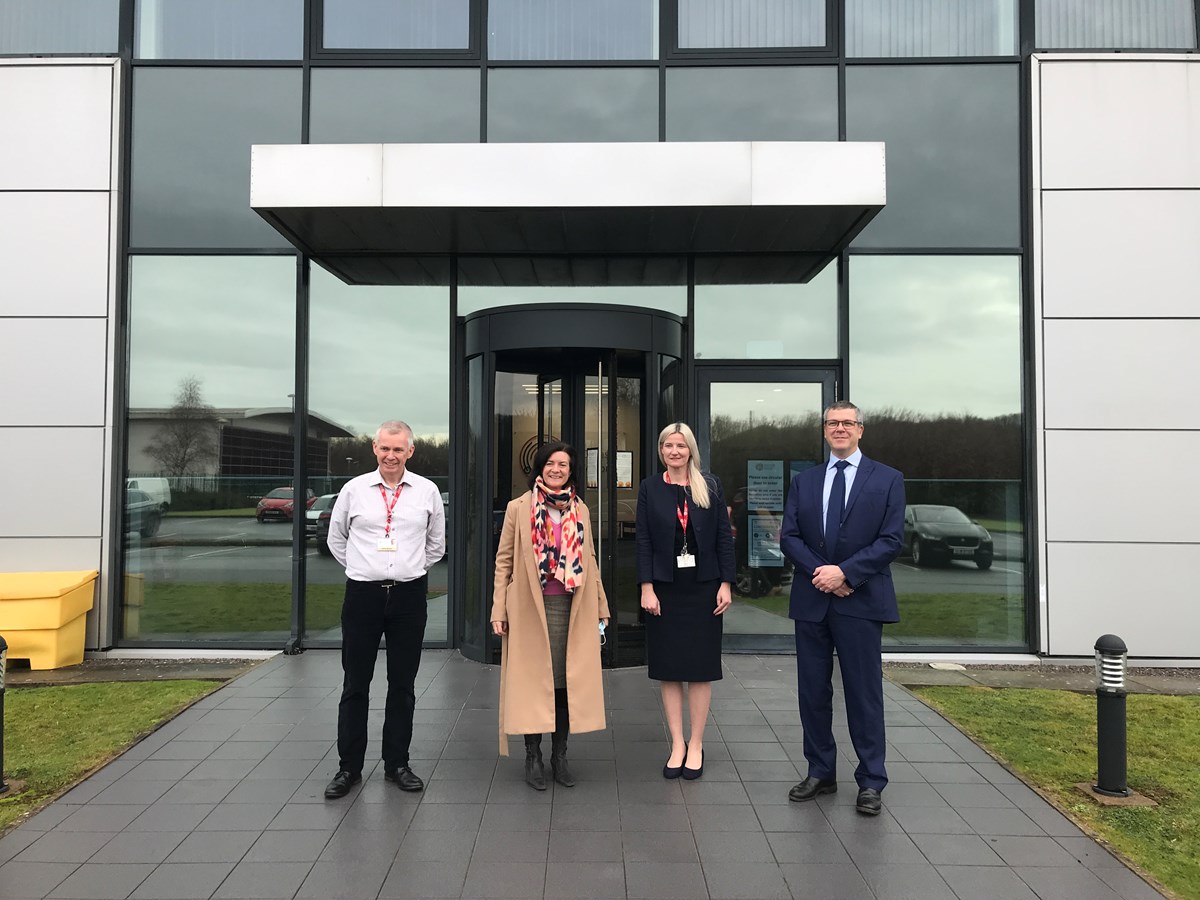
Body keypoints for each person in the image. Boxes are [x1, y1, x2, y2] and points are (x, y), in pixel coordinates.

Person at [779, 402, 904, 816]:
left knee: (863, 694)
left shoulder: (888, 479)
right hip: (813, 599)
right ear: (824, 430)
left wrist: (847, 575)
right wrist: (823, 573)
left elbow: (891, 540)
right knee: (812, 692)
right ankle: (821, 771)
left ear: (860, 430)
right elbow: (790, 536)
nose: (839, 429)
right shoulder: (806, 481)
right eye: (832, 423)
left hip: (861, 602)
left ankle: (871, 781)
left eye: (847, 423)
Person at [323, 420, 446, 799]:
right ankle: (349, 768)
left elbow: (435, 545)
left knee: (403, 685)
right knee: (355, 684)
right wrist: (365, 569)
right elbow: (336, 538)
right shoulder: (354, 490)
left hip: (409, 597)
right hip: (363, 596)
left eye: (399, 449)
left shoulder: (426, 491)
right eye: (384, 448)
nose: (390, 456)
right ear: (374, 448)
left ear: (411, 451)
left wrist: (406, 569)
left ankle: (397, 763)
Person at [491, 441, 610, 790]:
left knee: (564, 683)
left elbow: (589, 559)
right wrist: (499, 608)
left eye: (564, 465)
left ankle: (560, 755)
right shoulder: (519, 508)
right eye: (551, 464)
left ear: (571, 471)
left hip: (572, 609)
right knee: (531, 683)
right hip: (530, 608)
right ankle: (533, 756)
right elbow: (504, 563)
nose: (557, 469)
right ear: (540, 467)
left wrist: (601, 606)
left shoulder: (581, 509)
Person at [636, 423, 734, 781]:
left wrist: (726, 583)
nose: (674, 451)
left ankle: (696, 743)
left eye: (680, 445)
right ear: (661, 450)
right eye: (668, 445)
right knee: (670, 668)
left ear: (691, 449)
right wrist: (646, 587)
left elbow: (724, 538)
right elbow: (643, 540)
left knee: (700, 669)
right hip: (665, 589)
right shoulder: (650, 488)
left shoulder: (709, 485)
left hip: (704, 588)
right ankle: (676, 743)